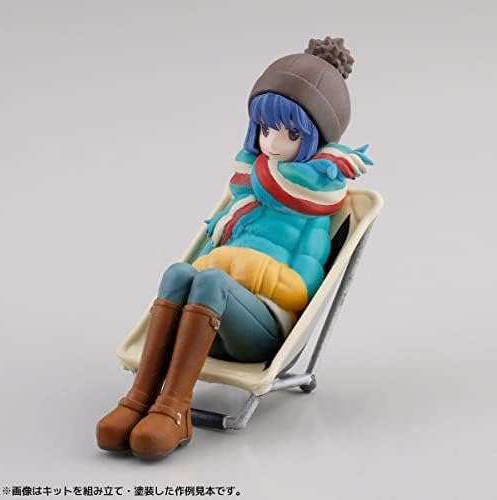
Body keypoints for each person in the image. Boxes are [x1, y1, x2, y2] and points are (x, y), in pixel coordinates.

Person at [96, 35, 373, 459]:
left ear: (314, 138)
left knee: (211, 281)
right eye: (265, 129)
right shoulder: (247, 191)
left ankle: (174, 410)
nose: (272, 143)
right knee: (179, 273)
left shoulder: (315, 209)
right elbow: (208, 255)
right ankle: (140, 399)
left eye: (290, 132)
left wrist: (237, 266)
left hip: (262, 327)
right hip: (210, 320)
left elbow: (302, 288)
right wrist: (221, 263)